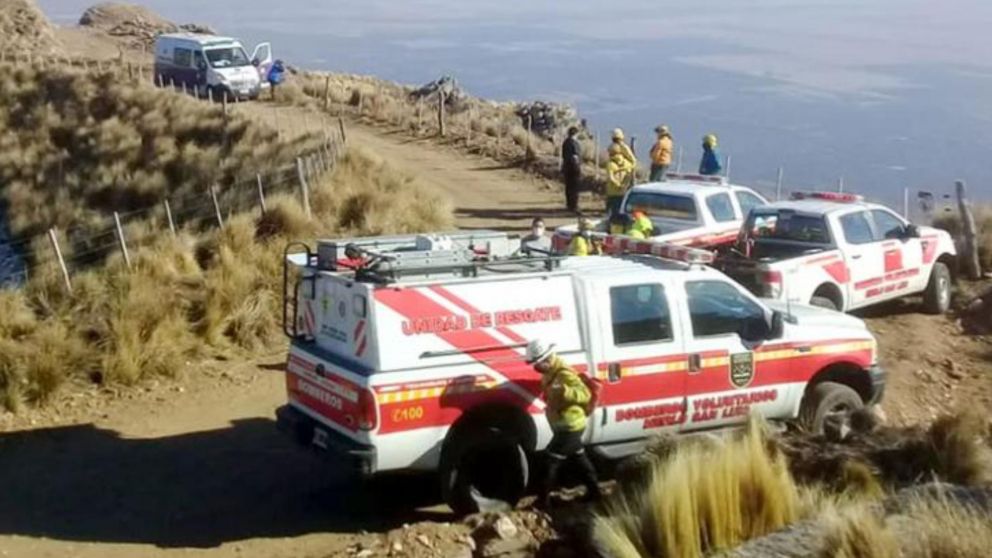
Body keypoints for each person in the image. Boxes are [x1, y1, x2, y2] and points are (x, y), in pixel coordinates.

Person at [526, 339, 601, 509]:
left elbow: (585, 394)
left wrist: (566, 392)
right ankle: (595, 493)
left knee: (550, 461)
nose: (535, 368)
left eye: (536, 363)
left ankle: (543, 501)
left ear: (547, 359)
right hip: (563, 424)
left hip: (570, 425)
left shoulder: (564, 373)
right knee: (579, 458)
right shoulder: (550, 373)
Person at [560, 127, 583, 212]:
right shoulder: (574, 143)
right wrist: (578, 167)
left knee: (568, 187)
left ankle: (569, 204)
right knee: (575, 187)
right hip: (574, 168)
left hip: (566, 167)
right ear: (575, 134)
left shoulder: (565, 142)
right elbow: (575, 156)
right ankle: (574, 205)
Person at [605, 152, 631, 216]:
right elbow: (629, 176)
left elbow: (610, 177)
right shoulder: (627, 163)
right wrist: (624, 185)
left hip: (612, 191)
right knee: (621, 207)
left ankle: (611, 218)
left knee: (612, 207)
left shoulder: (610, 164)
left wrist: (617, 184)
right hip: (623, 191)